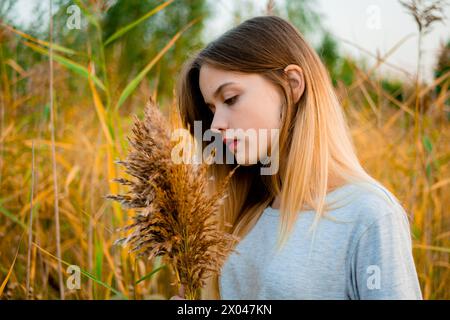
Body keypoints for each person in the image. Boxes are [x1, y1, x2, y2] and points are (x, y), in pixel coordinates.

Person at [172, 15, 422, 300]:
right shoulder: (241, 215)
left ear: (292, 84)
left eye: (230, 99)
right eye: (212, 108)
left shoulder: (368, 215)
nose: (216, 125)